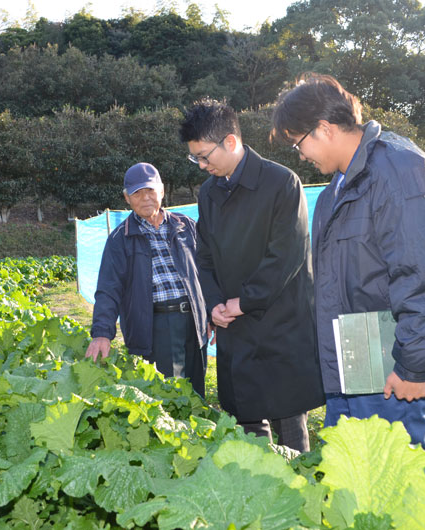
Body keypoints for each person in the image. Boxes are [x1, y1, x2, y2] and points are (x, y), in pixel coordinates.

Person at [271, 73, 425, 453]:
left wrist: (412, 365)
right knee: (351, 491)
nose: (302, 155)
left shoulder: (398, 170)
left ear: (324, 129)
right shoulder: (333, 193)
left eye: (298, 144)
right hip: (350, 371)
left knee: (397, 490)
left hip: (390, 375)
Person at [179, 98, 325, 452]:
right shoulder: (209, 193)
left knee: (289, 419)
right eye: (194, 157)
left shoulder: (281, 183)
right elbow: (205, 255)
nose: (201, 165)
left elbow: (285, 256)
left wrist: (242, 302)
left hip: (278, 323)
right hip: (234, 324)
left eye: (204, 156)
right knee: (246, 418)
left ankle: (298, 495)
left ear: (230, 141)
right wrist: (214, 303)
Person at [85, 162, 208, 397]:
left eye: (150, 191)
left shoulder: (185, 226)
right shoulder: (120, 239)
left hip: (194, 320)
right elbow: (108, 289)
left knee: (196, 393)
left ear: (161, 191)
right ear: (127, 198)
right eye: (137, 193)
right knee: (166, 397)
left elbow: (205, 270)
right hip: (155, 325)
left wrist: (209, 311)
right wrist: (102, 332)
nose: (145, 198)